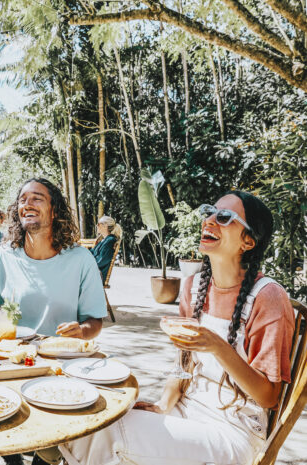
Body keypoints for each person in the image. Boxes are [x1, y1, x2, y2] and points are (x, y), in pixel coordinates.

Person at [60, 191, 295, 465]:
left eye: (223, 217)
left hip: (233, 431)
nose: (209, 220)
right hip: (185, 413)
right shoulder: (193, 287)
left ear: (248, 241)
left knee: (103, 436)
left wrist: (218, 346)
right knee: (91, 420)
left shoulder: (268, 296)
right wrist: (163, 404)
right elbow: (182, 365)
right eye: (208, 211)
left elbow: (268, 397)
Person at [0, 178, 106, 339]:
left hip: (60, 356)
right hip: (12, 355)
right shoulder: (3, 256)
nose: (27, 204)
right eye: (22, 201)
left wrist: (81, 331)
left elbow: (94, 321)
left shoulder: (81, 259)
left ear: (54, 211)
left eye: (36, 198)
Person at [91, 216, 122, 284]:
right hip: (93, 273)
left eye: (98, 224)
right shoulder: (104, 240)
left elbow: (101, 261)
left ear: (105, 226)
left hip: (97, 276)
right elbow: (91, 253)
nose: (97, 226)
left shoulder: (110, 241)